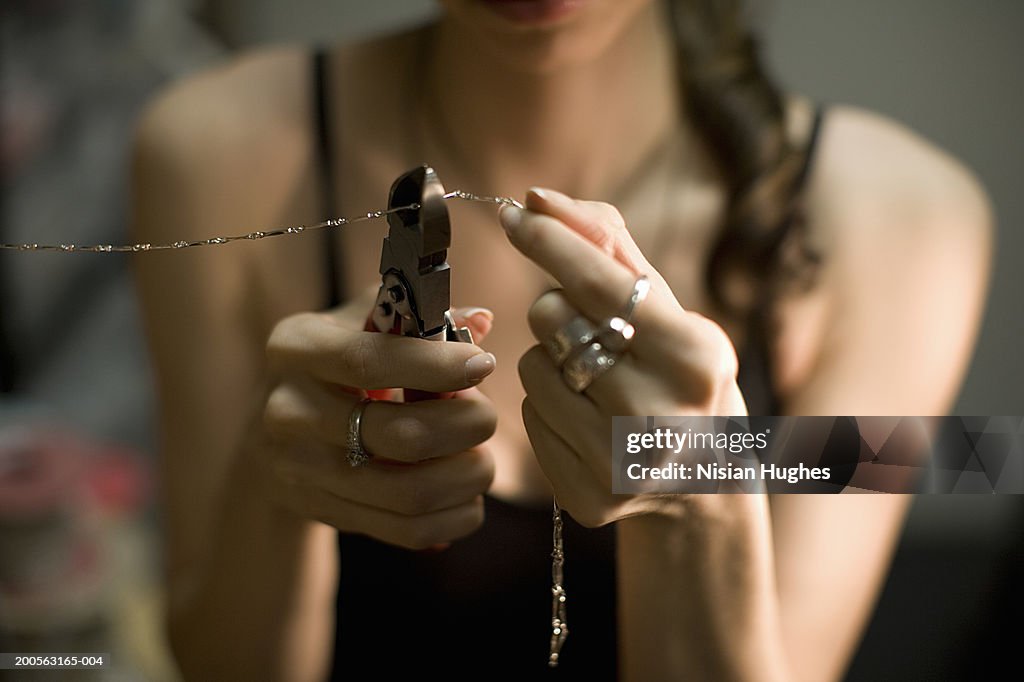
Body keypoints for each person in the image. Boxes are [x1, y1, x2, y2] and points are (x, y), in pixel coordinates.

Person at [130, 1, 992, 680]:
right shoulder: (213, 157)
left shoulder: (908, 225)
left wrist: (705, 497)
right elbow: (221, 667)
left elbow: (968, 465)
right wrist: (276, 481)